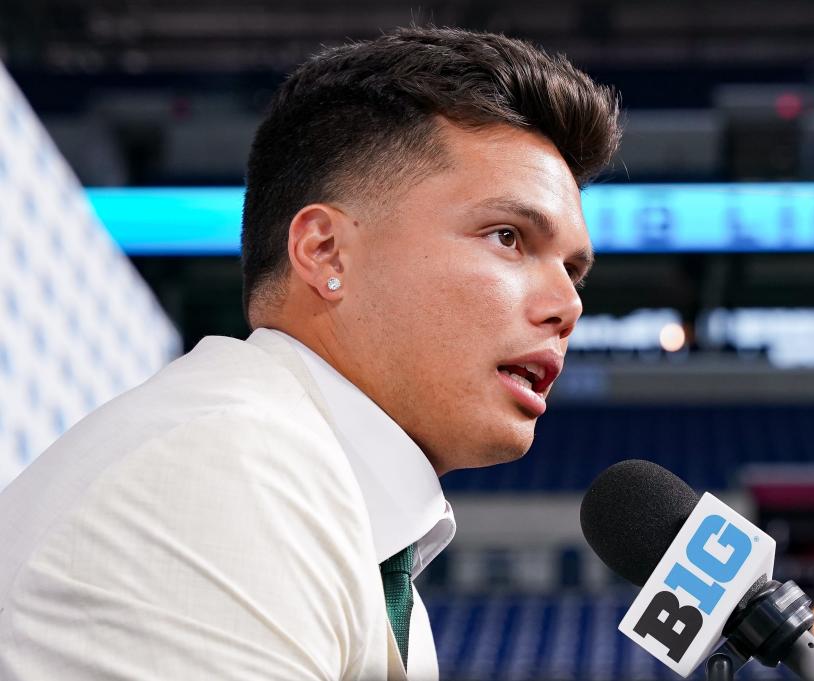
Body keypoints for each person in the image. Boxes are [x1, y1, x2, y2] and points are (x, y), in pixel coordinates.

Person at [0, 26, 620, 680]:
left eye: (574, 271)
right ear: (325, 251)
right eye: (508, 236)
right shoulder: (227, 473)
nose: (568, 304)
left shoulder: (323, 506)